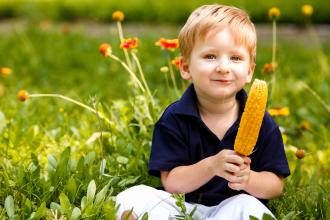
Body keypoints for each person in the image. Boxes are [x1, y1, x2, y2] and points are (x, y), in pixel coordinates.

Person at [116, 4, 290, 220]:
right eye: (210, 56)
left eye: (235, 58)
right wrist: (211, 166)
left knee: (250, 207)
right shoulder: (174, 118)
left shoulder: (263, 122)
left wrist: (249, 179)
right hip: (181, 207)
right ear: (186, 68)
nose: (223, 67)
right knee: (132, 198)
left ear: (249, 71)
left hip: (233, 207)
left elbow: (276, 184)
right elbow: (171, 182)